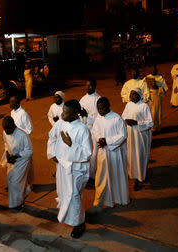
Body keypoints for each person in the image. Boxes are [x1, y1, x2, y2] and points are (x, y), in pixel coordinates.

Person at [47, 99, 92, 238]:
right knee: (64, 193)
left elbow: (87, 153)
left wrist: (71, 145)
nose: (62, 114)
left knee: (74, 196)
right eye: (63, 111)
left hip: (76, 169)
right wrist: (53, 152)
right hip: (62, 166)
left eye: (66, 112)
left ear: (75, 114)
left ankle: (79, 223)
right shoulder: (61, 123)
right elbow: (52, 137)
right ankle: (68, 215)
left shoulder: (82, 129)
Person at [91, 97, 129, 207]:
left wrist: (107, 141)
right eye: (98, 109)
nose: (100, 111)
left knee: (115, 177)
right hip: (102, 153)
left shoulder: (117, 118)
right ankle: (101, 200)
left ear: (108, 107)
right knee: (101, 177)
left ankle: (118, 198)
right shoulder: (98, 118)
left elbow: (123, 135)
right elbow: (95, 131)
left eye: (102, 108)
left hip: (114, 154)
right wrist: (100, 139)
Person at [122, 88, 153, 191]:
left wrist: (137, 123)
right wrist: (126, 121)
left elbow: (150, 122)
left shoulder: (144, 106)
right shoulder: (128, 105)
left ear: (139, 95)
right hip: (130, 134)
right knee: (131, 155)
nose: (131, 96)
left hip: (140, 135)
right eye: (131, 94)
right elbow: (123, 117)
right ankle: (132, 174)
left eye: (134, 94)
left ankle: (139, 177)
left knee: (139, 155)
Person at [0, 116, 33, 210]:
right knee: (9, 180)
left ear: (13, 125)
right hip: (11, 159)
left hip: (22, 160)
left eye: (7, 129)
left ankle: (18, 204)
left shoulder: (22, 135)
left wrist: (17, 156)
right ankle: (25, 191)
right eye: (4, 129)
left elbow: (29, 151)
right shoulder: (5, 132)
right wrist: (7, 154)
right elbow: (6, 144)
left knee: (15, 182)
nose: (6, 132)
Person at [79, 78, 100, 179]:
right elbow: (79, 114)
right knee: (84, 151)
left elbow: (99, 118)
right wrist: (82, 116)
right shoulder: (83, 99)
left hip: (94, 129)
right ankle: (85, 174)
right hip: (84, 128)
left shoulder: (98, 99)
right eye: (86, 85)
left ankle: (93, 175)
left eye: (90, 86)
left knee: (93, 152)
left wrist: (87, 116)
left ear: (95, 86)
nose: (88, 88)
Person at [9, 95, 34, 184]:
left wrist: (20, 134)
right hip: (13, 141)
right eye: (10, 102)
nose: (10, 104)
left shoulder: (23, 113)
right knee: (14, 163)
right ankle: (14, 181)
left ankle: (28, 183)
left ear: (18, 103)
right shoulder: (12, 112)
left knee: (25, 164)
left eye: (12, 102)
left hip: (23, 142)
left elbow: (29, 129)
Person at [144, 65, 168, 133]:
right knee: (148, 112)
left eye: (154, 70)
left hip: (156, 96)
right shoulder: (147, 77)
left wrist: (157, 87)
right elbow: (143, 87)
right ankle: (149, 126)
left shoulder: (160, 78)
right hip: (149, 96)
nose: (153, 71)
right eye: (152, 70)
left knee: (156, 112)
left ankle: (155, 127)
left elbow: (165, 88)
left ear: (156, 71)